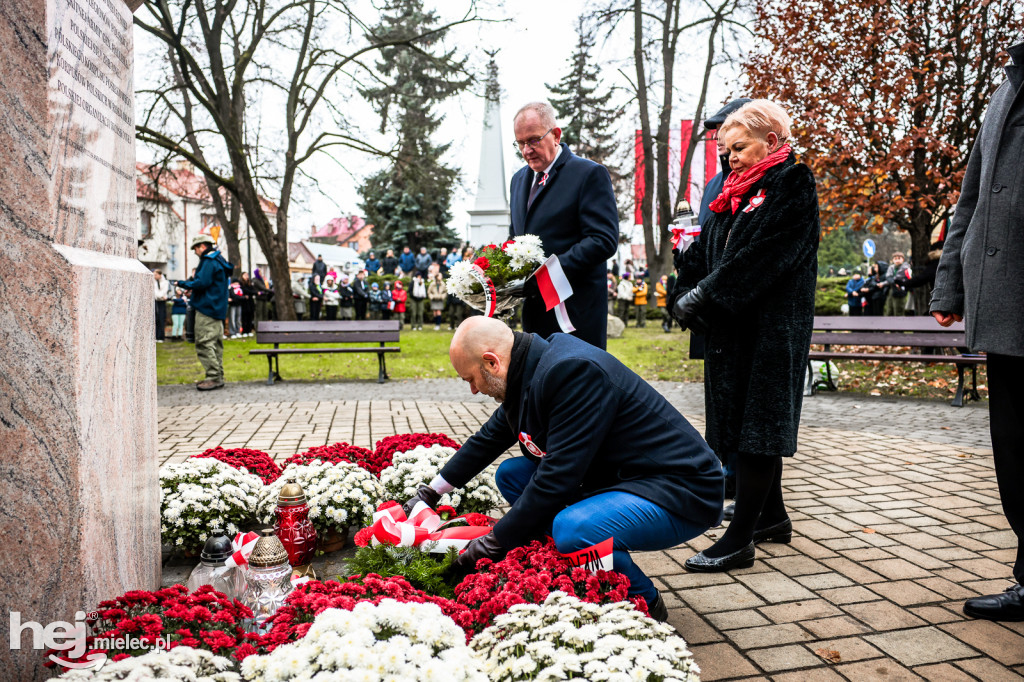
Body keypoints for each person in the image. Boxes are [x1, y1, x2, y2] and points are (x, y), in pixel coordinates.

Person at [402, 317, 723, 620]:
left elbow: (556, 480)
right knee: (512, 475)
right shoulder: (527, 367)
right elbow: (487, 439)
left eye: (470, 379)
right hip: (624, 477)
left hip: (680, 490)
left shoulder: (572, 371)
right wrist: (429, 493)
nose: (473, 389)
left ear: (491, 362)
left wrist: (488, 547)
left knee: (574, 531)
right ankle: (578, 560)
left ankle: (645, 599)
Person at [671, 99, 819, 571]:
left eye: (739, 148)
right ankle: (770, 516)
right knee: (737, 425)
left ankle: (739, 541)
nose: (730, 158)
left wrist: (706, 295)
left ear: (771, 142)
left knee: (760, 430)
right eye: (725, 150)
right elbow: (712, 250)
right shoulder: (732, 189)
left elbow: (765, 255)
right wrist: (686, 278)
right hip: (733, 328)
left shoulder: (791, 182)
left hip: (772, 329)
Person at [931, 40, 1024, 621]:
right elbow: (971, 195)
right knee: (1016, 452)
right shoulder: (1007, 86)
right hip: (1007, 305)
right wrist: (949, 286)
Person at [508, 101, 618, 349]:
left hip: (577, 314)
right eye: (520, 143)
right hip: (535, 315)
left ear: (556, 135)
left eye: (534, 140)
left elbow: (603, 240)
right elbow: (515, 238)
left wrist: (548, 274)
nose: (527, 150)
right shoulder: (517, 180)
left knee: (577, 385)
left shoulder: (588, 174)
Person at [177, 234, 233, 390]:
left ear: (202, 246)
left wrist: (183, 284)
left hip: (206, 309)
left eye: (195, 249)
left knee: (204, 342)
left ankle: (213, 377)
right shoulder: (220, 260)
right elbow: (211, 285)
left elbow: (202, 282)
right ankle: (218, 375)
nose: (195, 253)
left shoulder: (209, 261)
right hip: (218, 308)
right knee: (215, 344)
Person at [881, 252, 911, 316]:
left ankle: (899, 325)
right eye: (895, 258)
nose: (897, 260)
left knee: (899, 309)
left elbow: (899, 278)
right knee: (889, 309)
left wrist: (893, 281)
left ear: (903, 259)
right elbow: (888, 277)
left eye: (899, 258)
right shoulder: (891, 267)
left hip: (900, 290)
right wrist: (885, 283)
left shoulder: (906, 268)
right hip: (892, 289)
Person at [154, 269, 170, 342]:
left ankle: (161, 337)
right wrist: (159, 296)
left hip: (162, 302)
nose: (155, 276)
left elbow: (164, 291)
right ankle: (156, 336)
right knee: (156, 319)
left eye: (156, 275)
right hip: (156, 301)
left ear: (160, 275)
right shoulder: (153, 281)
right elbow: (155, 292)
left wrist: (159, 296)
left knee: (161, 318)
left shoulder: (165, 282)